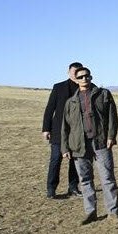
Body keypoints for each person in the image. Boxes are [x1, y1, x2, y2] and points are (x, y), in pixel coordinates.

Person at [61, 66, 118, 224]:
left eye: (86, 76)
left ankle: (113, 212)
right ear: (76, 80)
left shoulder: (103, 94)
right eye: (80, 77)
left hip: (100, 142)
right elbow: (65, 127)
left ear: (91, 77)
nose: (84, 79)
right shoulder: (71, 102)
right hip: (79, 145)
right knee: (85, 179)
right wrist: (64, 148)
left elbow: (112, 117)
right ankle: (90, 212)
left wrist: (111, 136)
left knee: (107, 178)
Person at [41, 61, 83, 199]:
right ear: (68, 72)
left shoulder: (85, 88)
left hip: (77, 132)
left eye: (78, 72)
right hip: (58, 131)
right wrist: (46, 128)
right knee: (55, 160)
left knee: (75, 161)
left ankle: (73, 187)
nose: (75, 74)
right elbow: (50, 108)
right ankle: (51, 189)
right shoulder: (58, 87)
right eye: (73, 72)